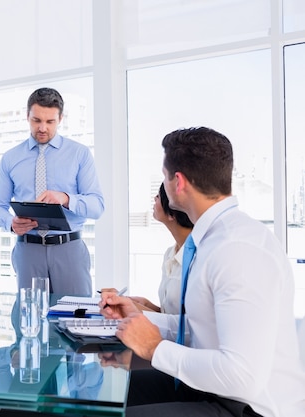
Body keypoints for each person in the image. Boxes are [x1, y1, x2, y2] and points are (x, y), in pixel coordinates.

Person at [100, 127, 305, 416]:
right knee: (105, 395)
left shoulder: (238, 248)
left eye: (164, 175)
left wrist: (155, 347)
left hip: (247, 406)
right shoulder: (211, 239)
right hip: (210, 386)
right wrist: (140, 317)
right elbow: (198, 327)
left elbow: (242, 376)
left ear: (178, 182)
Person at [0, 87, 105, 295]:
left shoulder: (80, 154)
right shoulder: (10, 158)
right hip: (28, 249)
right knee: (30, 318)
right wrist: (10, 223)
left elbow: (97, 206)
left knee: (75, 318)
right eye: (36, 120)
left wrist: (66, 198)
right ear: (27, 117)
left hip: (69, 248)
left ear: (60, 118)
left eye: (50, 122)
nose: (42, 128)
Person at [123, 183, 193, 314]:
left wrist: (135, 309)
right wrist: (147, 305)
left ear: (173, 213)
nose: (155, 198)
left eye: (159, 196)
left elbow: (189, 327)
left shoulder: (198, 258)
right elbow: (170, 317)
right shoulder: (170, 254)